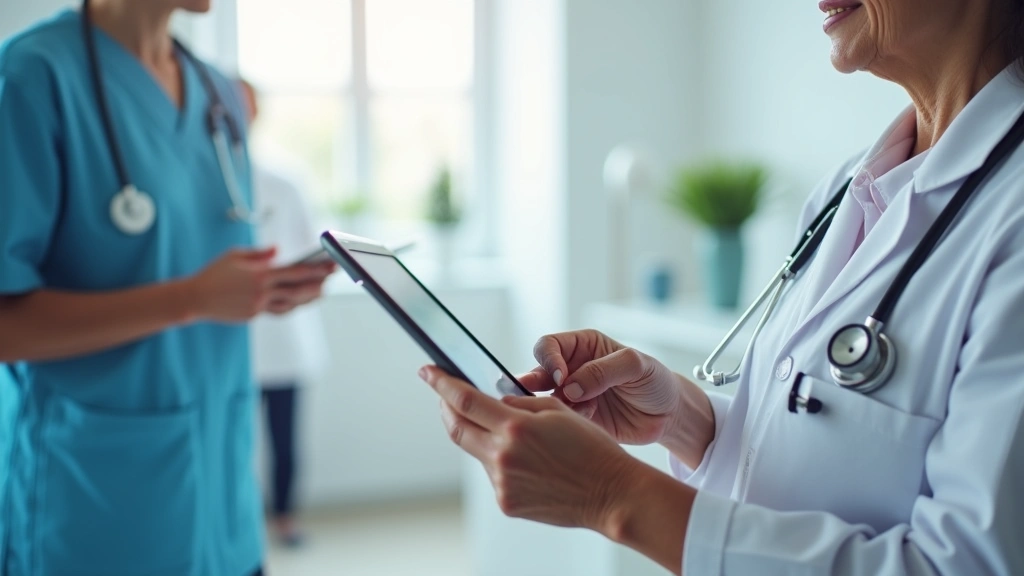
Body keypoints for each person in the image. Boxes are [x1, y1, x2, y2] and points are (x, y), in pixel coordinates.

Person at [418, 1, 1024, 574]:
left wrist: (612, 496)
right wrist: (684, 420)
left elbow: (968, 562)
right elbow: (808, 439)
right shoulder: (847, 188)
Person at [0, 1, 333, 575]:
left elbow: (203, 264)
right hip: (94, 507)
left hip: (224, 502)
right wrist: (191, 299)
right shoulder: (33, 77)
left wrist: (260, 290)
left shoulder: (218, 93)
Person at [238, 79, 330, 548]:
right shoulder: (201, 181)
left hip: (283, 337)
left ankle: (285, 519)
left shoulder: (283, 182)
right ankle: (239, 518)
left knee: (283, 438)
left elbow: (307, 248)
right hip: (229, 336)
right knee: (231, 440)